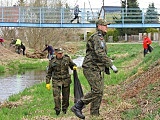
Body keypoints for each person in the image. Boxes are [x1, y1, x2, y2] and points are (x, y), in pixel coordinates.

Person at [71, 19, 118, 119]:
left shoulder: (100, 38)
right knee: (97, 90)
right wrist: (110, 64)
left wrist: (105, 67)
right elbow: (99, 53)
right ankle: (77, 106)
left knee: (99, 91)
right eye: (105, 25)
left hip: (96, 68)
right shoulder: (97, 37)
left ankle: (94, 114)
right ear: (99, 26)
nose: (107, 27)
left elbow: (100, 54)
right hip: (90, 67)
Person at [45, 47, 77, 116]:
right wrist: (47, 82)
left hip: (66, 80)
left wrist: (74, 67)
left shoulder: (67, 58)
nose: (61, 54)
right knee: (56, 97)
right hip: (56, 81)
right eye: (59, 53)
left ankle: (64, 110)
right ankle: (57, 110)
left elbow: (72, 65)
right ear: (56, 53)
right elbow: (49, 73)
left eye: (62, 53)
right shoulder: (52, 61)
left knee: (66, 97)